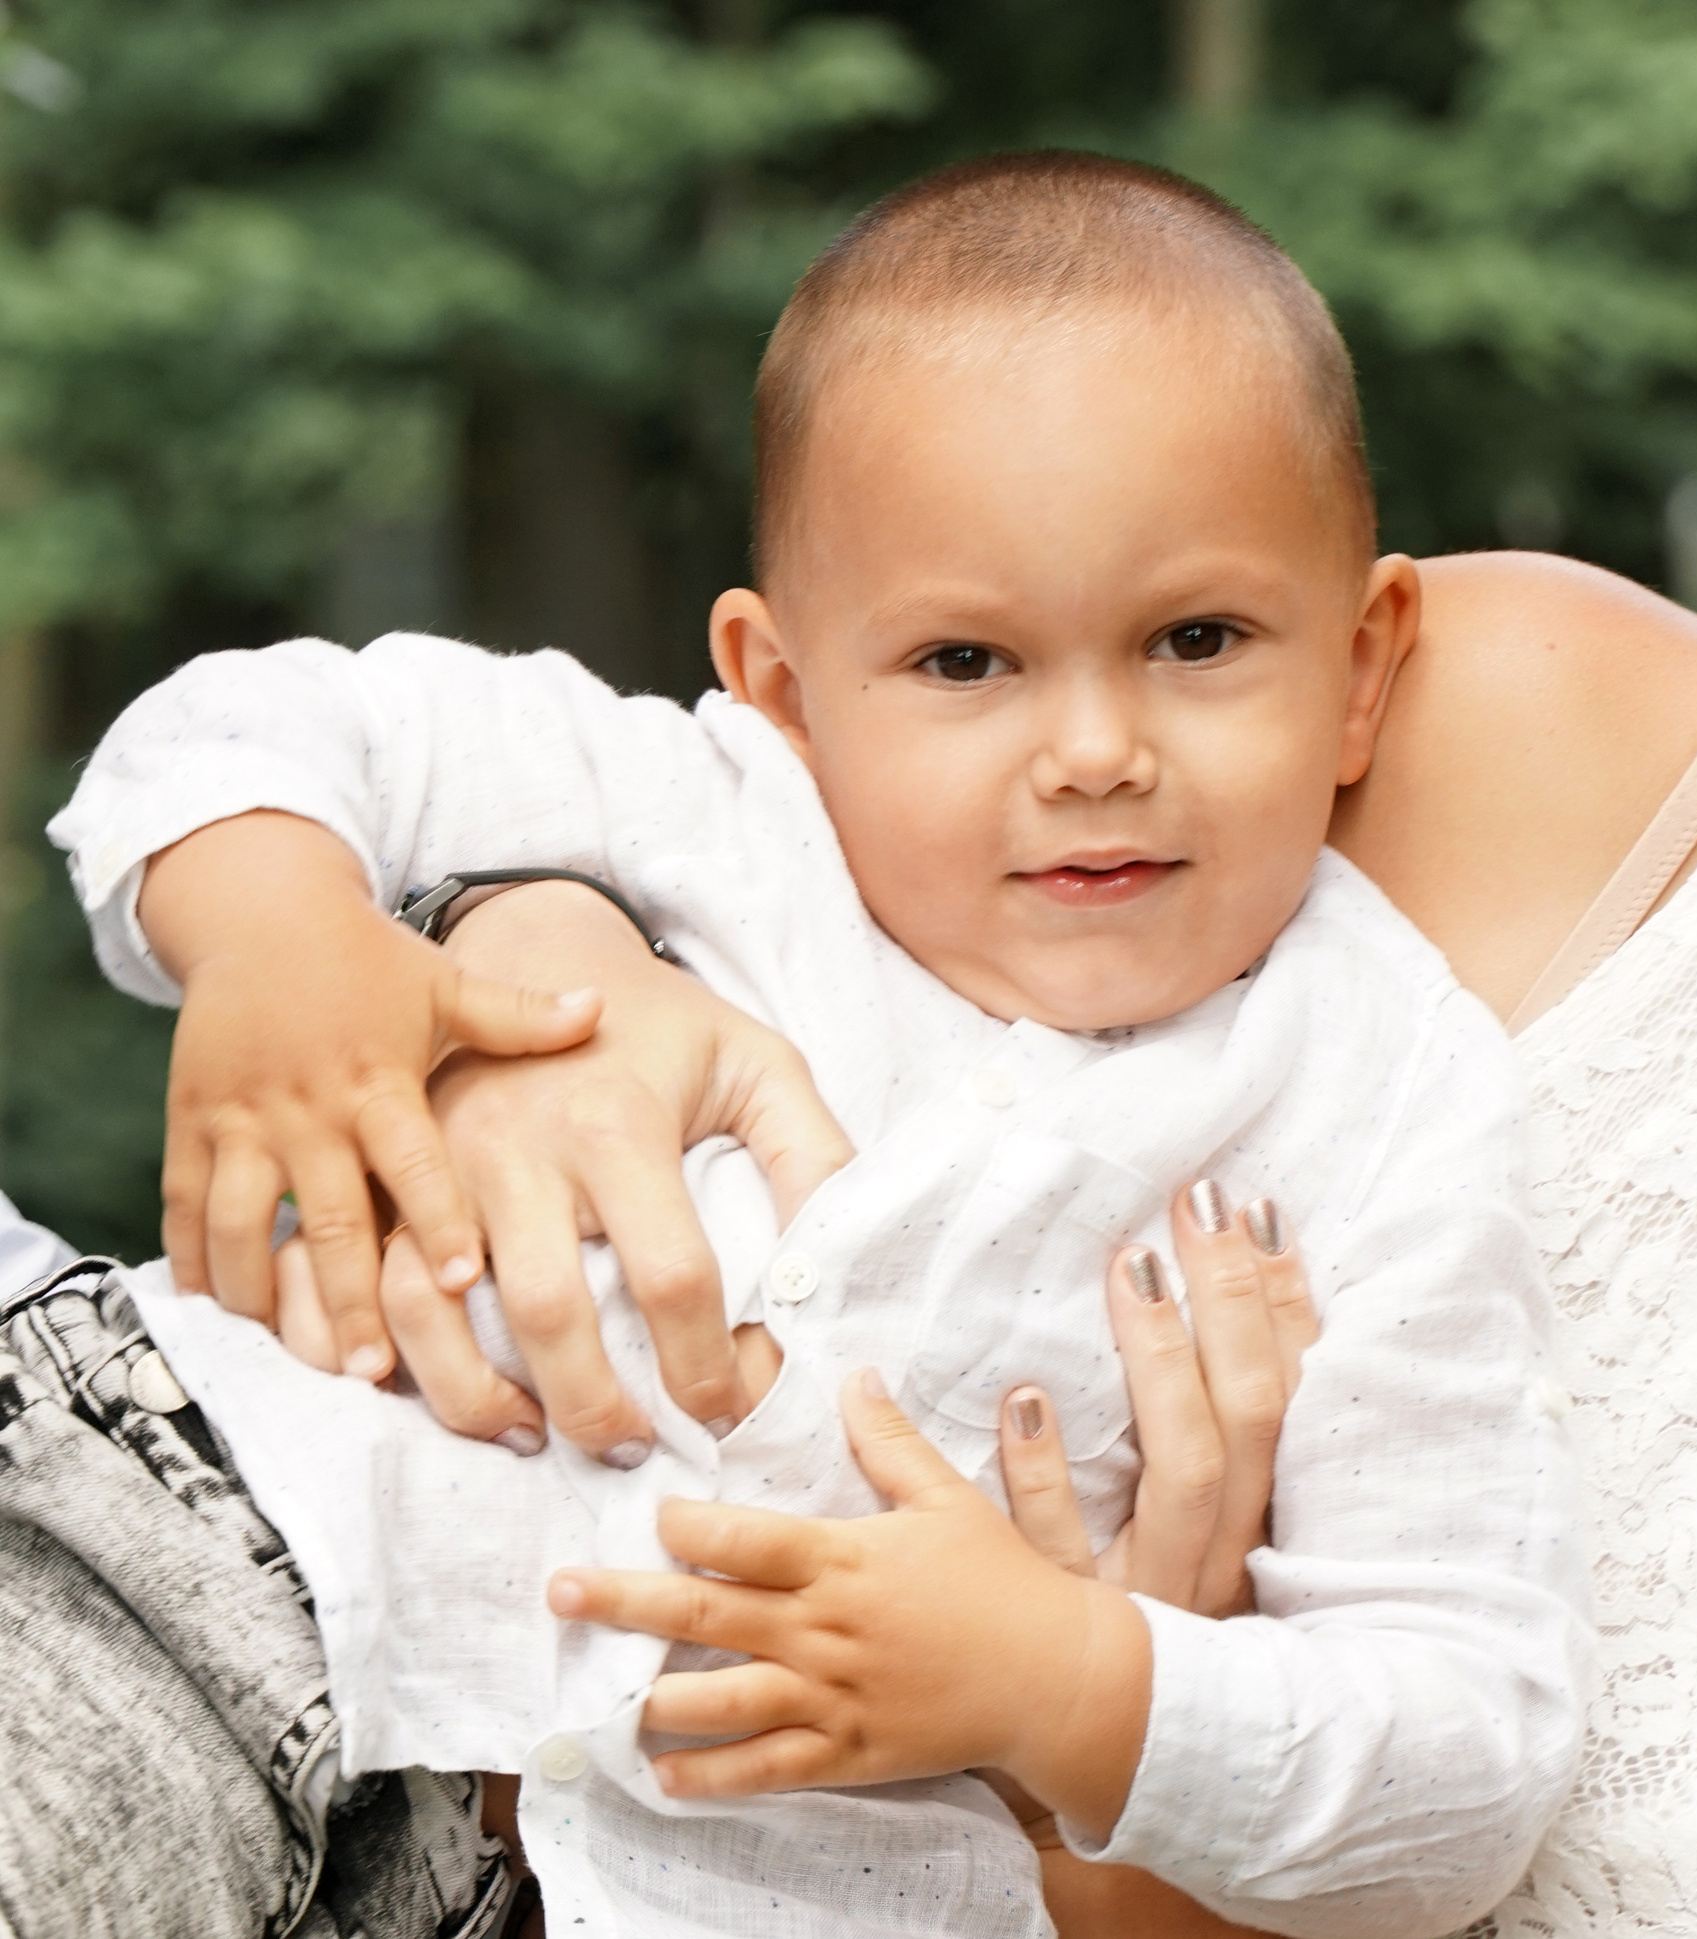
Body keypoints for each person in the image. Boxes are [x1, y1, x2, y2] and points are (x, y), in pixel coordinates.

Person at [47, 101, 1697, 1936]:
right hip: (220, 1539)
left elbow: (1401, 1766)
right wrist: (529, 969)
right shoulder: (1549, 745)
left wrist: (1101, 1696)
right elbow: (758, 779)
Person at [48, 156, 1587, 1937]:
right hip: (204, 1560)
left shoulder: (1388, 1096)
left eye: (1197, 638)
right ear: (782, 687)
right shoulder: (724, 811)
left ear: (1366, 663)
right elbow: (244, 725)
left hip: (706, 1886)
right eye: (963, 662)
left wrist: (1065, 1684)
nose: (1091, 748)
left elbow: (1475, 1745)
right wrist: (280, 935)